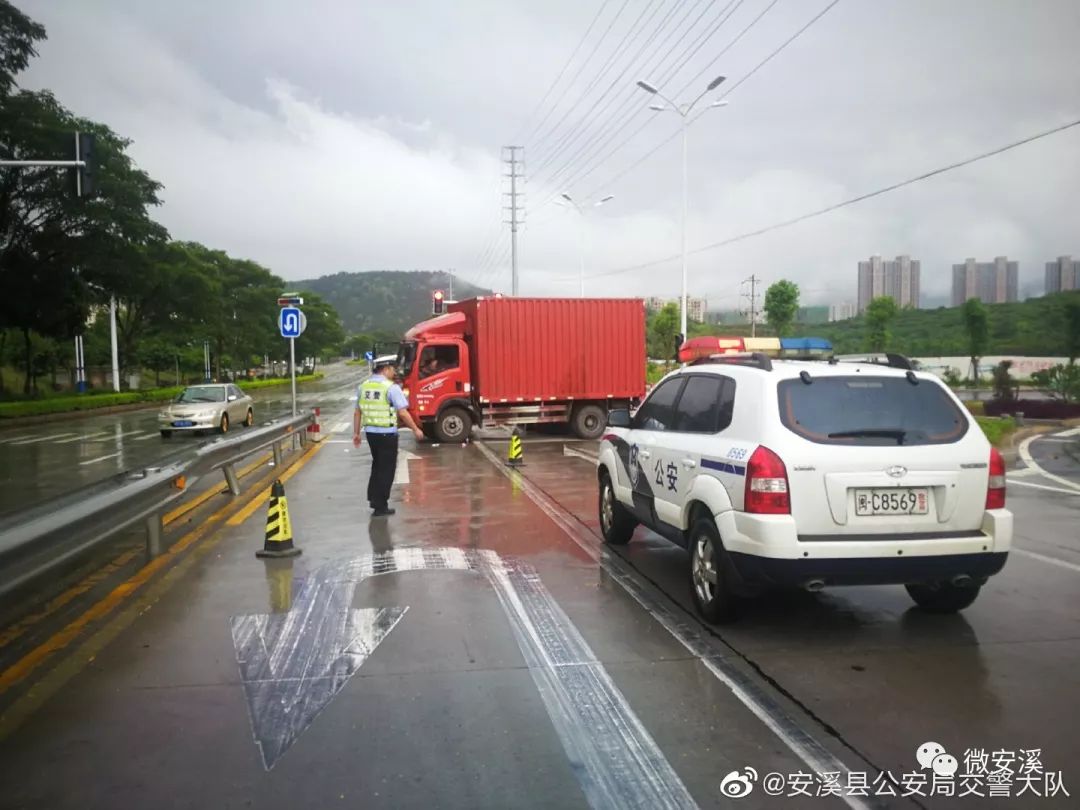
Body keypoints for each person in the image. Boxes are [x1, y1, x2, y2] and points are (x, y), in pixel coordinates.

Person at [353, 357, 424, 517]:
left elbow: (357, 412)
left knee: (377, 466)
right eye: (392, 369)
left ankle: (374, 499)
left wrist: (356, 433)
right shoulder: (390, 387)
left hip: (371, 434)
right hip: (386, 434)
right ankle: (380, 505)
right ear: (385, 369)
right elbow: (403, 412)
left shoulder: (363, 386)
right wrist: (415, 429)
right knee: (386, 469)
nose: (394, 372)